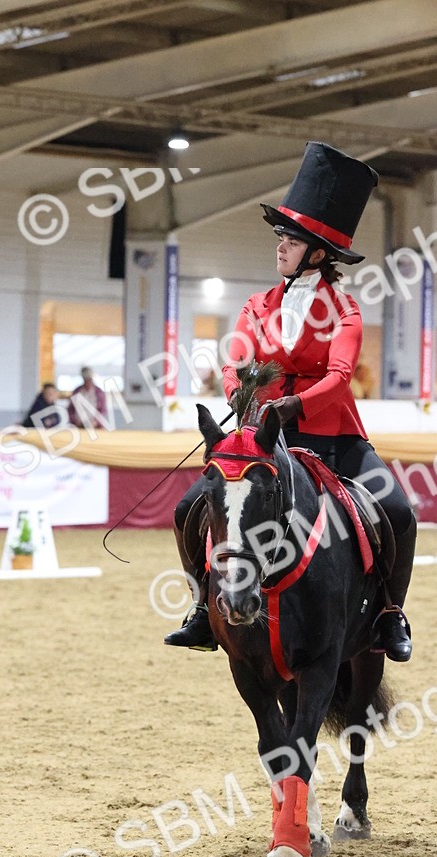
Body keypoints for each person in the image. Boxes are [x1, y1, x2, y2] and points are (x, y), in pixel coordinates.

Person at [165, 141, 416, 662]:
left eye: (291, 239)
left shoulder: (345, 310)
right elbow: (234, 360)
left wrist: (294, 407)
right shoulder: (256, 306)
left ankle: (391, 612)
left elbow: (341, 377)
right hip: (263, 438)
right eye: (280, 236)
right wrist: (242, 396)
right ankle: (200, 606)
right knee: (189, 507)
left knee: (398, 510)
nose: (280, 246)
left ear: (319, 252)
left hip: (332, 435)